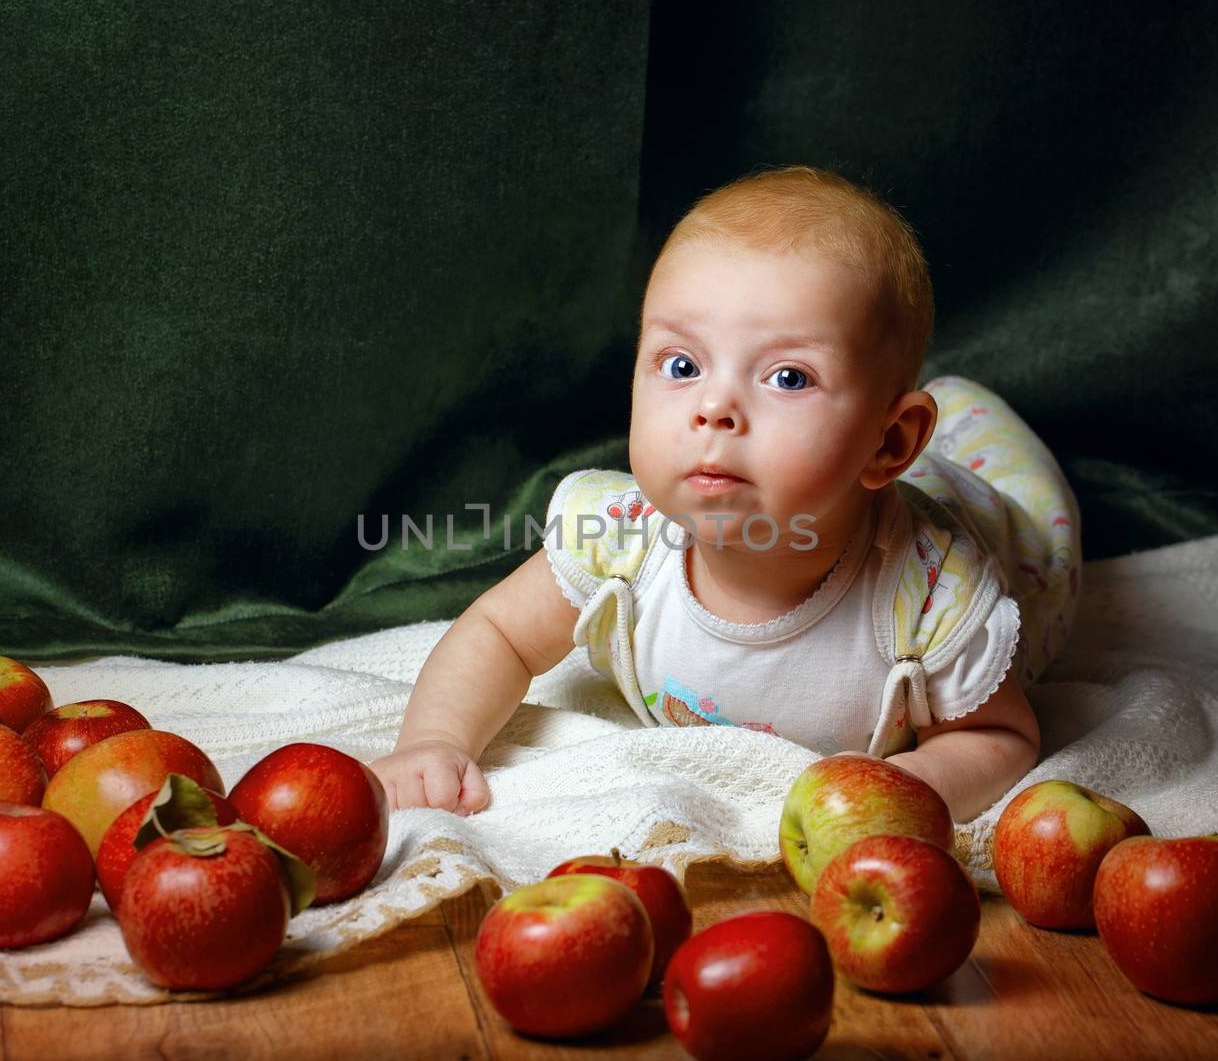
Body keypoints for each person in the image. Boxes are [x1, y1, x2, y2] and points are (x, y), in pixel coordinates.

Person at [369, 166, 1079, 823]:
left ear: (889, 443)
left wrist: (903, 794)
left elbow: (998, 735)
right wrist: (436, 739)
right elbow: (496, 632)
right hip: (863, 478)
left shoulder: (932, 594)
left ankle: (961, 408)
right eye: (681, 364)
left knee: (1028, 512)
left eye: (788, 377)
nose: (713, 408)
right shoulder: (620, 535)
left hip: (998, 529)